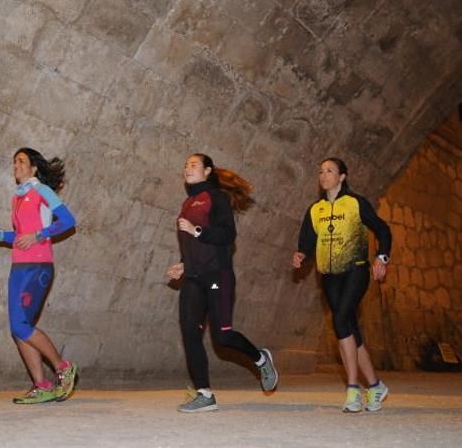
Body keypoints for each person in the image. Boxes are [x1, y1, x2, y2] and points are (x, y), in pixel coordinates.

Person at [165, 153, 278, 413]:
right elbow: (192, 245)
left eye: (194, 165)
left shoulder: (217, 198)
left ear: (207, 171)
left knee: (223, 336)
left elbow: (228, 235)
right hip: (193, 278)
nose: (187, 168)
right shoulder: (188, 203)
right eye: (185, 165)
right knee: (190, 334)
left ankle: (260, 358)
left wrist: (197, 230)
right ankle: (205, 394)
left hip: (217, 275)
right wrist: (182, 264)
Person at [0, 147, 78, 404]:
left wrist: (39, 235)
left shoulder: (41, 191)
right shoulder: (17, 198)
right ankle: (41, 385)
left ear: (33, 168)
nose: (16, 165)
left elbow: (67, 220)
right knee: (19, 328)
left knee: (21, 326)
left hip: (38, 266)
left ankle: (63, 367)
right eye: (14, 162)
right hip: (19, 266)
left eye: (21, 161)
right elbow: (21, 237)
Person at [292, 157, 392, 413]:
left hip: (356, 270)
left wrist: (381, 257)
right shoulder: (316, 210)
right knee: (349, 328)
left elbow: (382, 230)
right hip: (328, 275)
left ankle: (352, 389)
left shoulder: (355, 203)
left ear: (342, 177)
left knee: (340, 318)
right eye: (321, 171)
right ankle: (375, 385)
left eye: (330, 171)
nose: (323, 175)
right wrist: (302, 255)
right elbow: (306, 241)